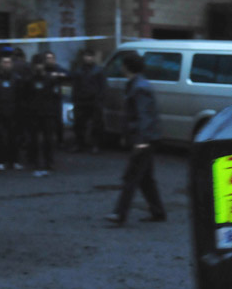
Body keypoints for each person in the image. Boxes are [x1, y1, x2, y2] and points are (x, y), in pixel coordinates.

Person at [104, 51, 166, 225]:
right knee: (145, 178)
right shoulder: (137, 84)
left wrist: (141, 141)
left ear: (126, 67)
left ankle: (119, 213)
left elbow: (144, 116)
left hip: (144, 139)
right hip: (145, 137)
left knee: (131, 176)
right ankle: (158, 211)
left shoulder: (139, 87)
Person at [21, 54, 58, 176]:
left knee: (48, 139)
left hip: (47, 113)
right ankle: (34, 161)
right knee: (33, 140)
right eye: (37, 64)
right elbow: (24, 97)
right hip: (33, 114)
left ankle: (49, 162)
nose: (38, 67)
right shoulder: (29, 80)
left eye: (40, 64)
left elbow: (55, 97)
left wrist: (54, 112)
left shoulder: (50, 79)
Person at [0, 55, 24, 170]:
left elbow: (19, 96)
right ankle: (0, 161)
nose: (6, 64)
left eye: (8, 62)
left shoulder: (16, 78)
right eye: (4, 62)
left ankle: (14, 161)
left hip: (13, 112)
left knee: (14, 138)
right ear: (0, 64)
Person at [70, 49, 107, 153]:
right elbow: (75, 86)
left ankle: (95, 145)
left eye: (90, 56)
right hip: (81, 101)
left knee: (96, 124)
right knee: (79, 124)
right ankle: (79, 143)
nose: (88, 58)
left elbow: (103, 87)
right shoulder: (79, 71)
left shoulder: (98, 71)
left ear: (93, 57)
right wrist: (75, 99)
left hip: (94, 101)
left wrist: (100, 99)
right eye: (86, 56)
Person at [44, 51, 70, 148]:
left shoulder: (58, 68)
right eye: (48, 58)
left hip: (56, 98)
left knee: (58, 121)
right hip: (46, 98)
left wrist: (59, 75)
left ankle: (60, 141)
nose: (49, 60)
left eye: (51, 58)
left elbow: (68, 74)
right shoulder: (44, 70)